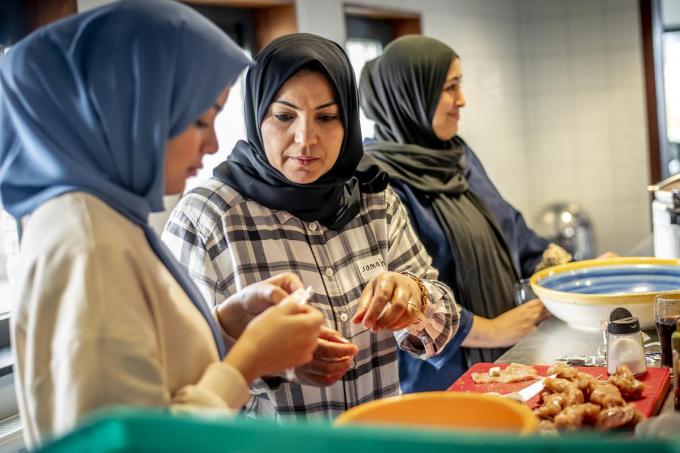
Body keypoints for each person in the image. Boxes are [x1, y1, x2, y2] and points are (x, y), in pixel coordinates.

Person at [0, 1, 324, 446]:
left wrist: (228, 324)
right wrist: (247, 361)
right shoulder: (88, 241)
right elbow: (128, 440)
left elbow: (145, 362)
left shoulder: (106, 212)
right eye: (199, 120)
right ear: (130, 108)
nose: (213, 145)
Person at [162, 33, 459, 420]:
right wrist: (275, 363)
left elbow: (443, 326)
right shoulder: (207, 218)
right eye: (284, 116)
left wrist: (415, 299)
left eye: (327, 117)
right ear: (256, 116)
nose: (306, 140)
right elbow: (180, 377)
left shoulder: (373, 198)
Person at [358, 36, 565, 393]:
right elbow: (409, 301)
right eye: (450, 87)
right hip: (441, 381)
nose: (462, 100)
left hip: (503, 360)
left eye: (460, 85)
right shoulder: (378, 180)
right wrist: (497, 328)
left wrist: (578, 272)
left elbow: (510, 228)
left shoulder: (456, 155)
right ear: (413, 95)